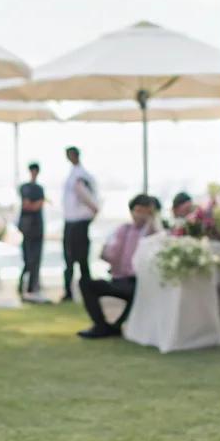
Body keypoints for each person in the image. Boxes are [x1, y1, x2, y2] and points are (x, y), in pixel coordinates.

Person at [78, 194, 161, 339]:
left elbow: (156, 235)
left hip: (139, 281)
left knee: (137, 289)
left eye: (145, 211)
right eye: (138, 210)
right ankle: (101, 325)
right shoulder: (123, 230)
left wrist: (151, 220)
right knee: (86, 283)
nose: (140, 215)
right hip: (119, 279)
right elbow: (109, 255)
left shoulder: (152, 232)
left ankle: (117, 326)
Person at [61, 145, 98, 301]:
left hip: (78, 222)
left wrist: (94, 210)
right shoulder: (76, 173)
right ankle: (73, 292)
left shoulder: (80, 175)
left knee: (79, 259)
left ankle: (85, 291)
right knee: (71, 260)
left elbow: (84, 194)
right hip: (72, 221)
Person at [17, 161, 46, 302]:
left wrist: (34, 204)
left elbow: (35, 205)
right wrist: (35, 204)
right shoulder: (25, 187)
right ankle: (25, 286)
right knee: (28, 259)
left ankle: (32, 287)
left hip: (37, 227)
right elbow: (29, 205)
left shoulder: (39, 188)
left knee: (35, 258)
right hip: (28, 228)